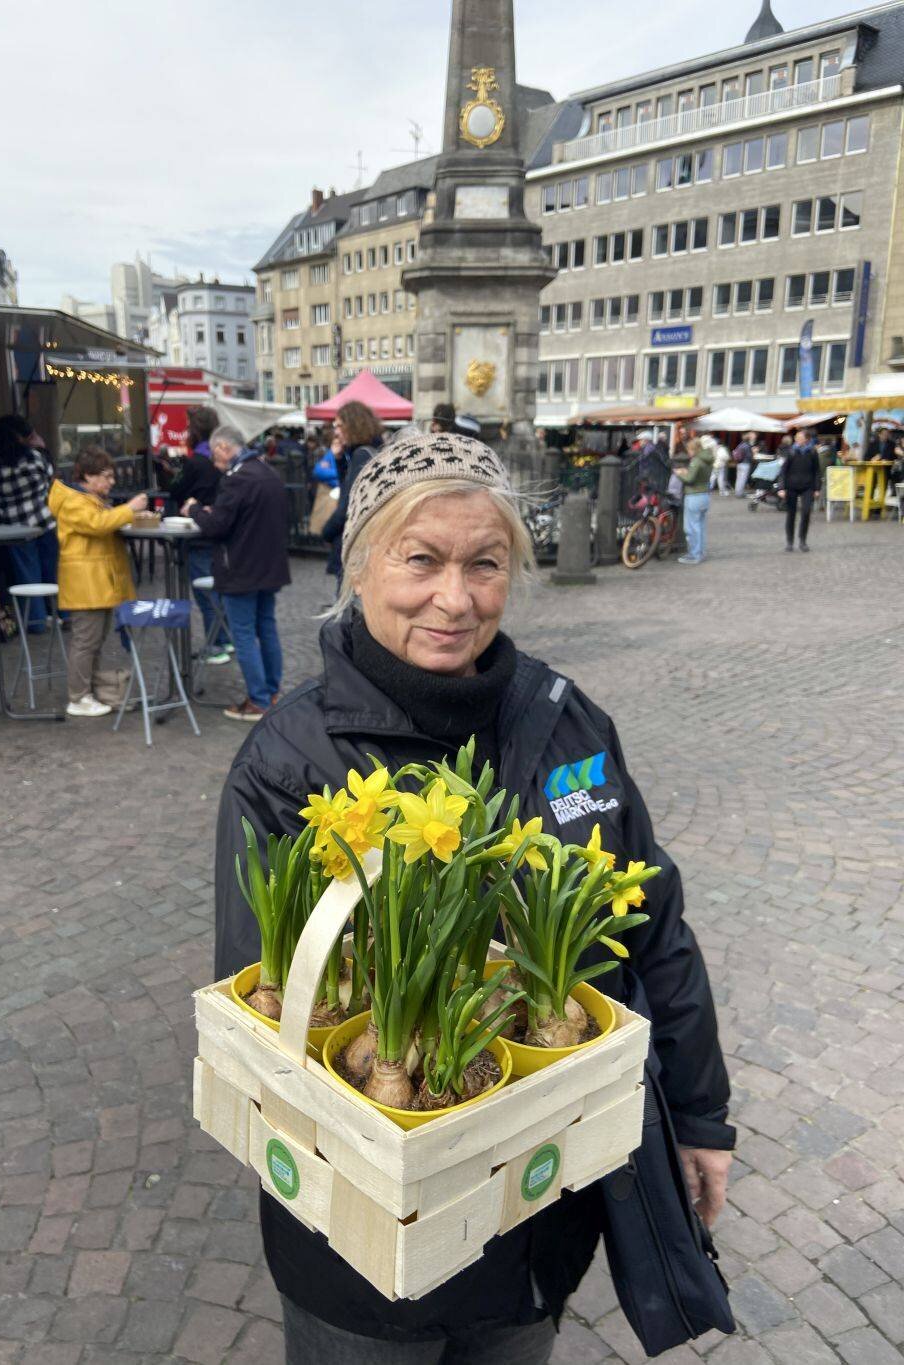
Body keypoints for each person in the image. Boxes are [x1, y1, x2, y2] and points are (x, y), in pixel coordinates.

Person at [213, 430, 734, 1364]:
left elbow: (655, 930)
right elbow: (266, 1005)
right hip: (359, 1255)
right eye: (421, 559)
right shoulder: (291, 761)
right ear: (360, 565)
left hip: (537, 1214)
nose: (455, 598)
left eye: (485, 563)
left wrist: (700, 1115)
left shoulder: (567, 721)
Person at [182, 424, 290, 722]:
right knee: (266, 628)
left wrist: (193, 510)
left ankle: (258, 700)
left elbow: (217, 525)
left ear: (222, 448)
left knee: (243, 634)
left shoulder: (237, 479)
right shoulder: (269, 473)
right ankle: (272, 691)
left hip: (240, 567)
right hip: (269, 565)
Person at [48, 447, 146, 718]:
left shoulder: (85, 498)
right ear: (88, 477)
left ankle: (88, 692)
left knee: (93, 641)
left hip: (95, 584)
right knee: (86, 641)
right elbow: (97, 524)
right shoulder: (74, 501)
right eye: (106, 476)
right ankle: (78, 697)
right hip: (86, 584)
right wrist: (129, 509)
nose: (111, 481)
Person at [159, 406, 231, 666]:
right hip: (216, 531)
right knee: (216, 589)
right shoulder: (218, 460)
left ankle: (217, 644)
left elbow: (176, 488)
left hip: (196, 532)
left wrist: (169, 474)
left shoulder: (195, 462)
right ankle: (224, 637)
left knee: (205, 593)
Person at [0, 414, 57, 634]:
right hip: (44, 523)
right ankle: (64, 613)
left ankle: (36, 622)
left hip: (14, 530)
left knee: (27, 577)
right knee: (54, 572)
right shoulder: (35, 458)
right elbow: (51, 481)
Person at [321, 401, 384, 589]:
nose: (336, 432)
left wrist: (326, 532)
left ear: (354, 424)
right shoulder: (370, 451)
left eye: (339, 426)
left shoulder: (362, 455)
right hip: (368, 542)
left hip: (355, 546)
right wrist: (339, 460)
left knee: (347, 610)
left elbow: (348, 505)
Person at [777, 429, 820, 552]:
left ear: (806, 439)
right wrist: (781, 488)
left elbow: (817, 471)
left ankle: (803, 540)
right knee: (791, 514)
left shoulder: (812, 452)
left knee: (806, 512)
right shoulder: (791, 451)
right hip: (791, 486)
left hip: (807, 486)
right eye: (796, 437)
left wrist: (817, 488)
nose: (797, 439)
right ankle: (789, 541)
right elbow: (783, 471)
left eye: (800, 437)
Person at [674, 435, 715, 565]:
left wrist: (680, 474)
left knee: (691, 527)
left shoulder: (696, 460)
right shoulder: (708, 459)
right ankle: (700, 552)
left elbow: (690, 480)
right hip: (705, 495)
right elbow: (697, 475)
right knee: (700, 526)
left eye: (689, 450)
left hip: (694, 496)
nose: (688, 452)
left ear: (694, 449)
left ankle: (694, 554)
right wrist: (688, 471)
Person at [732, 432, 755, 498]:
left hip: (739, 463)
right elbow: (749, 456)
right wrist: (753, 453)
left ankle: (737, 492)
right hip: (745, 464)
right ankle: (740, 493)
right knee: (743, 479)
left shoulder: (740, 445)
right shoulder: (747, 446)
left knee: (738, 478)